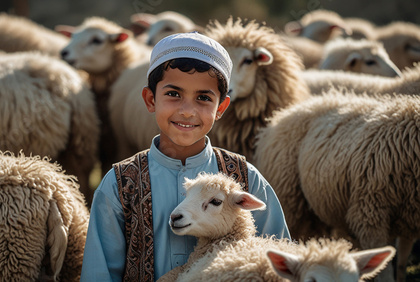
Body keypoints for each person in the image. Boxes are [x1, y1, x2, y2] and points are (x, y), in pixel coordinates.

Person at [80, 32, 290, 281]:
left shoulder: (246, 178)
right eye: (173, 94)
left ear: (220, 108)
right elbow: (99, 273)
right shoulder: (119, 183)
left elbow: (279, 259)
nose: (187, 111)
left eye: (203, 98)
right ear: (150, 99)